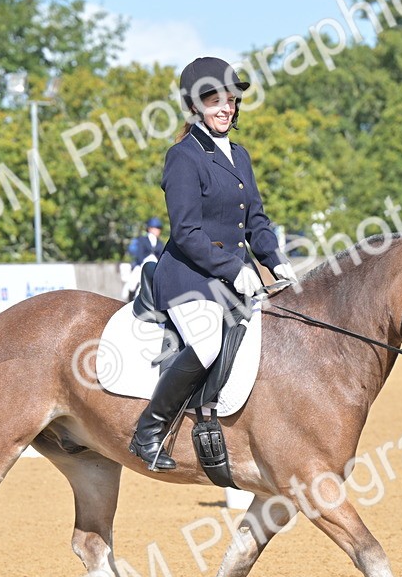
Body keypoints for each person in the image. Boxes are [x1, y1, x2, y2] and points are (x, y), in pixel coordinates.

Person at [128, 57, 298, 470]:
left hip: (234, 280)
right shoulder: (183, 157)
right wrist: (234, 268)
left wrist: (276, 263)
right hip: (189, 278)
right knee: (207, 345)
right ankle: (148, 432)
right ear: (195, 106)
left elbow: (255, 220)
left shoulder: (239, 156)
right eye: (214, 100)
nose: (225, 108)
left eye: (231, 100)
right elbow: (186, 231)